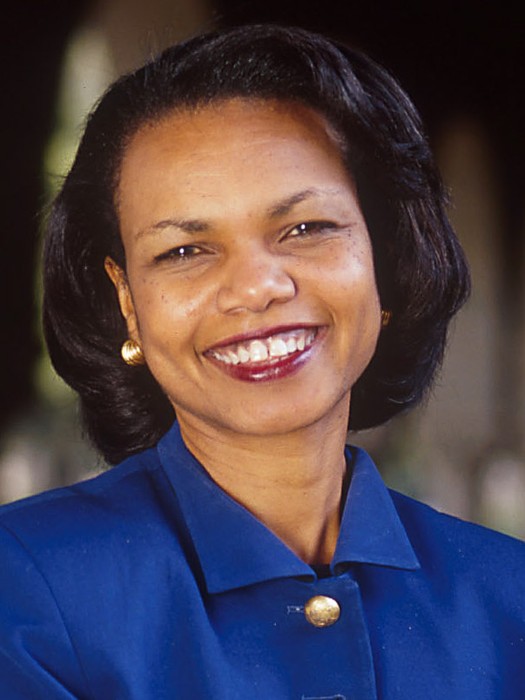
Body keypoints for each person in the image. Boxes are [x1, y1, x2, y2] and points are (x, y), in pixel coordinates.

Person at [0, 23, 524, 699]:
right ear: (127, 302)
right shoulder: (25, 586)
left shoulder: (508, 595)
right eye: (184, 251)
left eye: (305, 228)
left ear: (386, 260)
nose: (255, 288)